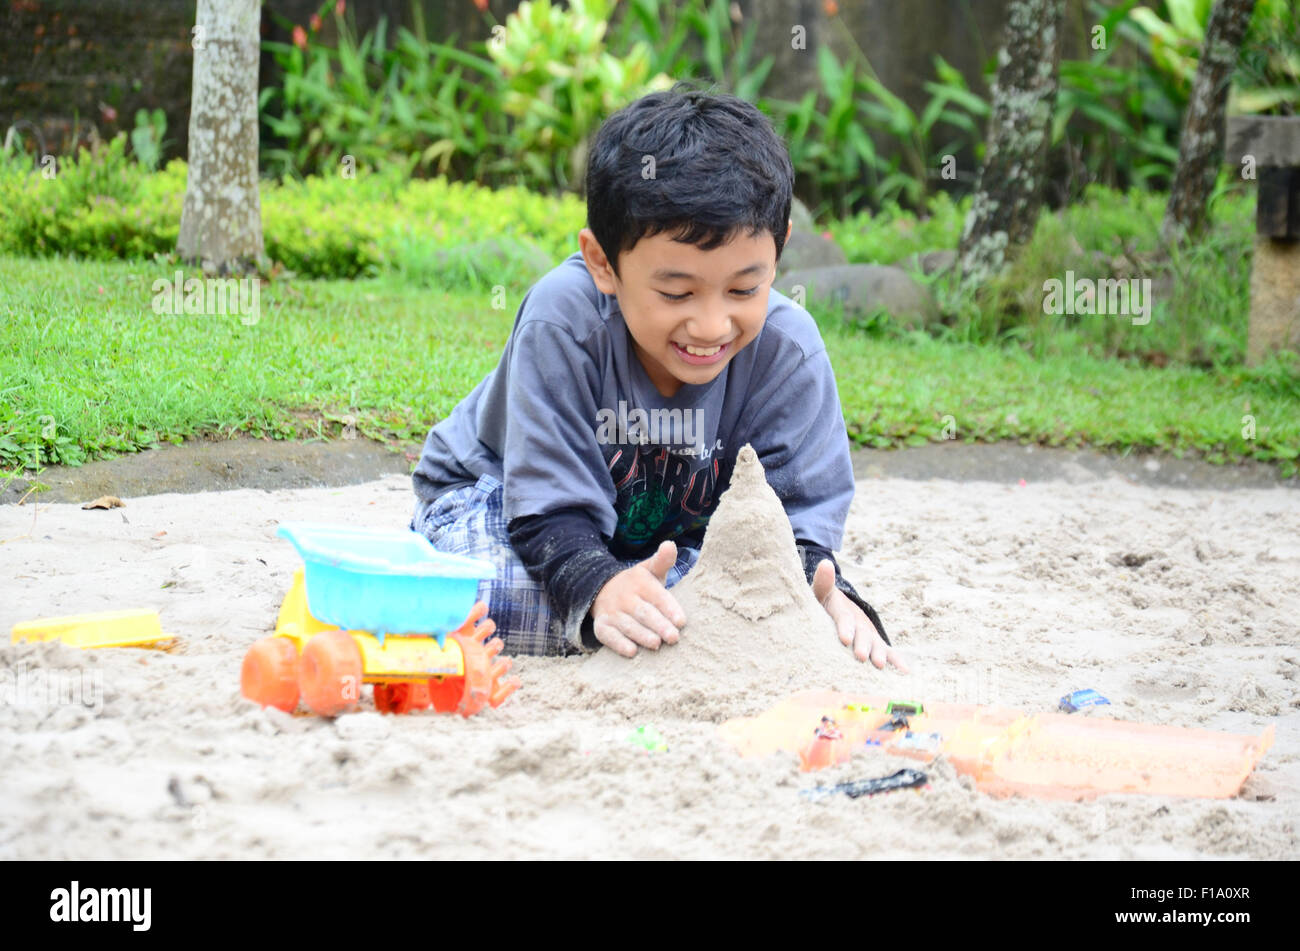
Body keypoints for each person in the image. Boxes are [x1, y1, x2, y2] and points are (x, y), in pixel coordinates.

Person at [409, 83, 907, 673]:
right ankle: (614, 607)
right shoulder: (563, 322)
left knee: (759, 607)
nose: (712, 324)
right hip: (506, 508)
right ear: (603, 263)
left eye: (745, 289)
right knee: (472, 600)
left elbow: (788, 536)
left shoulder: (788, 351)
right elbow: (546, 507)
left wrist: (823, 593)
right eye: (676, 292)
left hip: (661, 548)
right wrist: (599, 587)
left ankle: (633, 607)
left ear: (781, 250)